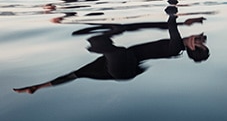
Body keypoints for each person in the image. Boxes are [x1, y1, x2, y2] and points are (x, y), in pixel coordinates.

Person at [13, 16, 209, 94]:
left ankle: (103, 35)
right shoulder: (176, 48)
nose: (199, 39)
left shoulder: (176, 47)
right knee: (78, 73)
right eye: (202, 39)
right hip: (124, 67)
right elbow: (168, 25)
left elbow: (170, 20)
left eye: (200, 42)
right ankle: (38, 87)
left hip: (125, 64)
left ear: (193, 47)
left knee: (100, 43)